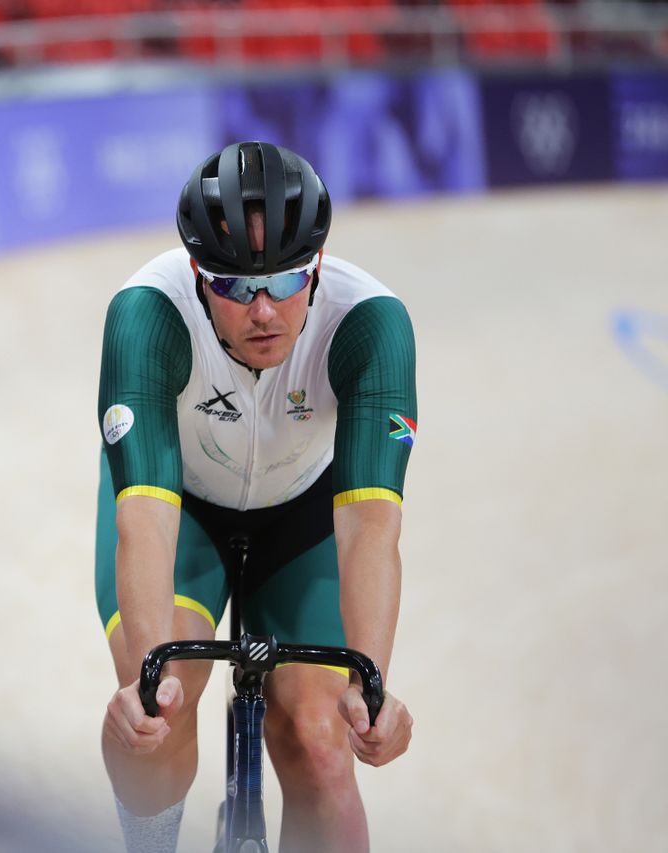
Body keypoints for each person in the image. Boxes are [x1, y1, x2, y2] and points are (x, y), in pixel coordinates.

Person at [95, 140, 415, 853]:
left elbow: (369, 524)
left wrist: (371, 683)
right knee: (158, 711)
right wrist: (150, 688)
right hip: (182, 510)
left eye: (287, 281)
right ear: (197, 275)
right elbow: (143, 518)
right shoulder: (147, 315)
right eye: (236, 287)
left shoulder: (370, 325)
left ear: (320, 267)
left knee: (320, 737)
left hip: (304, 520)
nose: (264, 309)